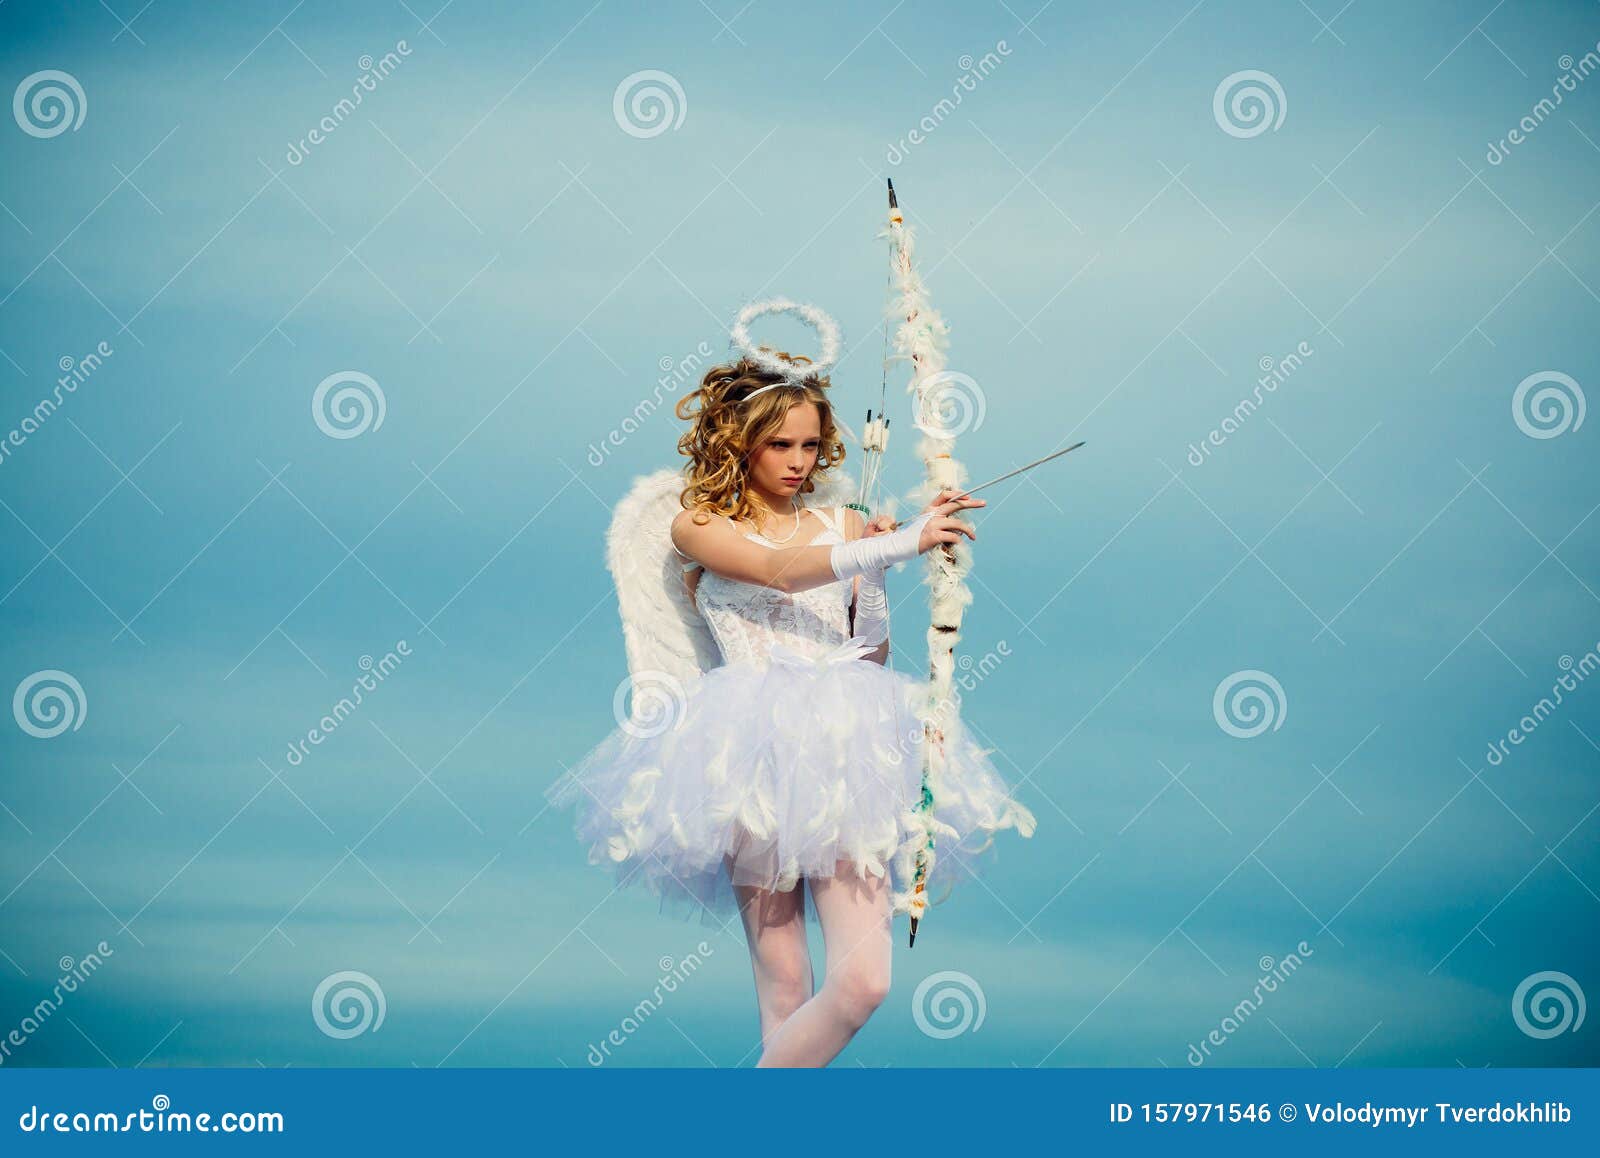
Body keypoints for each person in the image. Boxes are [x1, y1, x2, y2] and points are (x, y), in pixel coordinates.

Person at [546, 348, 1036, 1067]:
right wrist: (897, 545)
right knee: (784, 987)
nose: (798, 461)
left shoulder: (847, 524)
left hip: (848, 754)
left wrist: (875, 576)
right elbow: (775, 573)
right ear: (737, 443)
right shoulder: (698, 526)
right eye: (779, 443)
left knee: (863, 983)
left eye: (810, 444)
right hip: (746, 751)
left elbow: (869, 655)